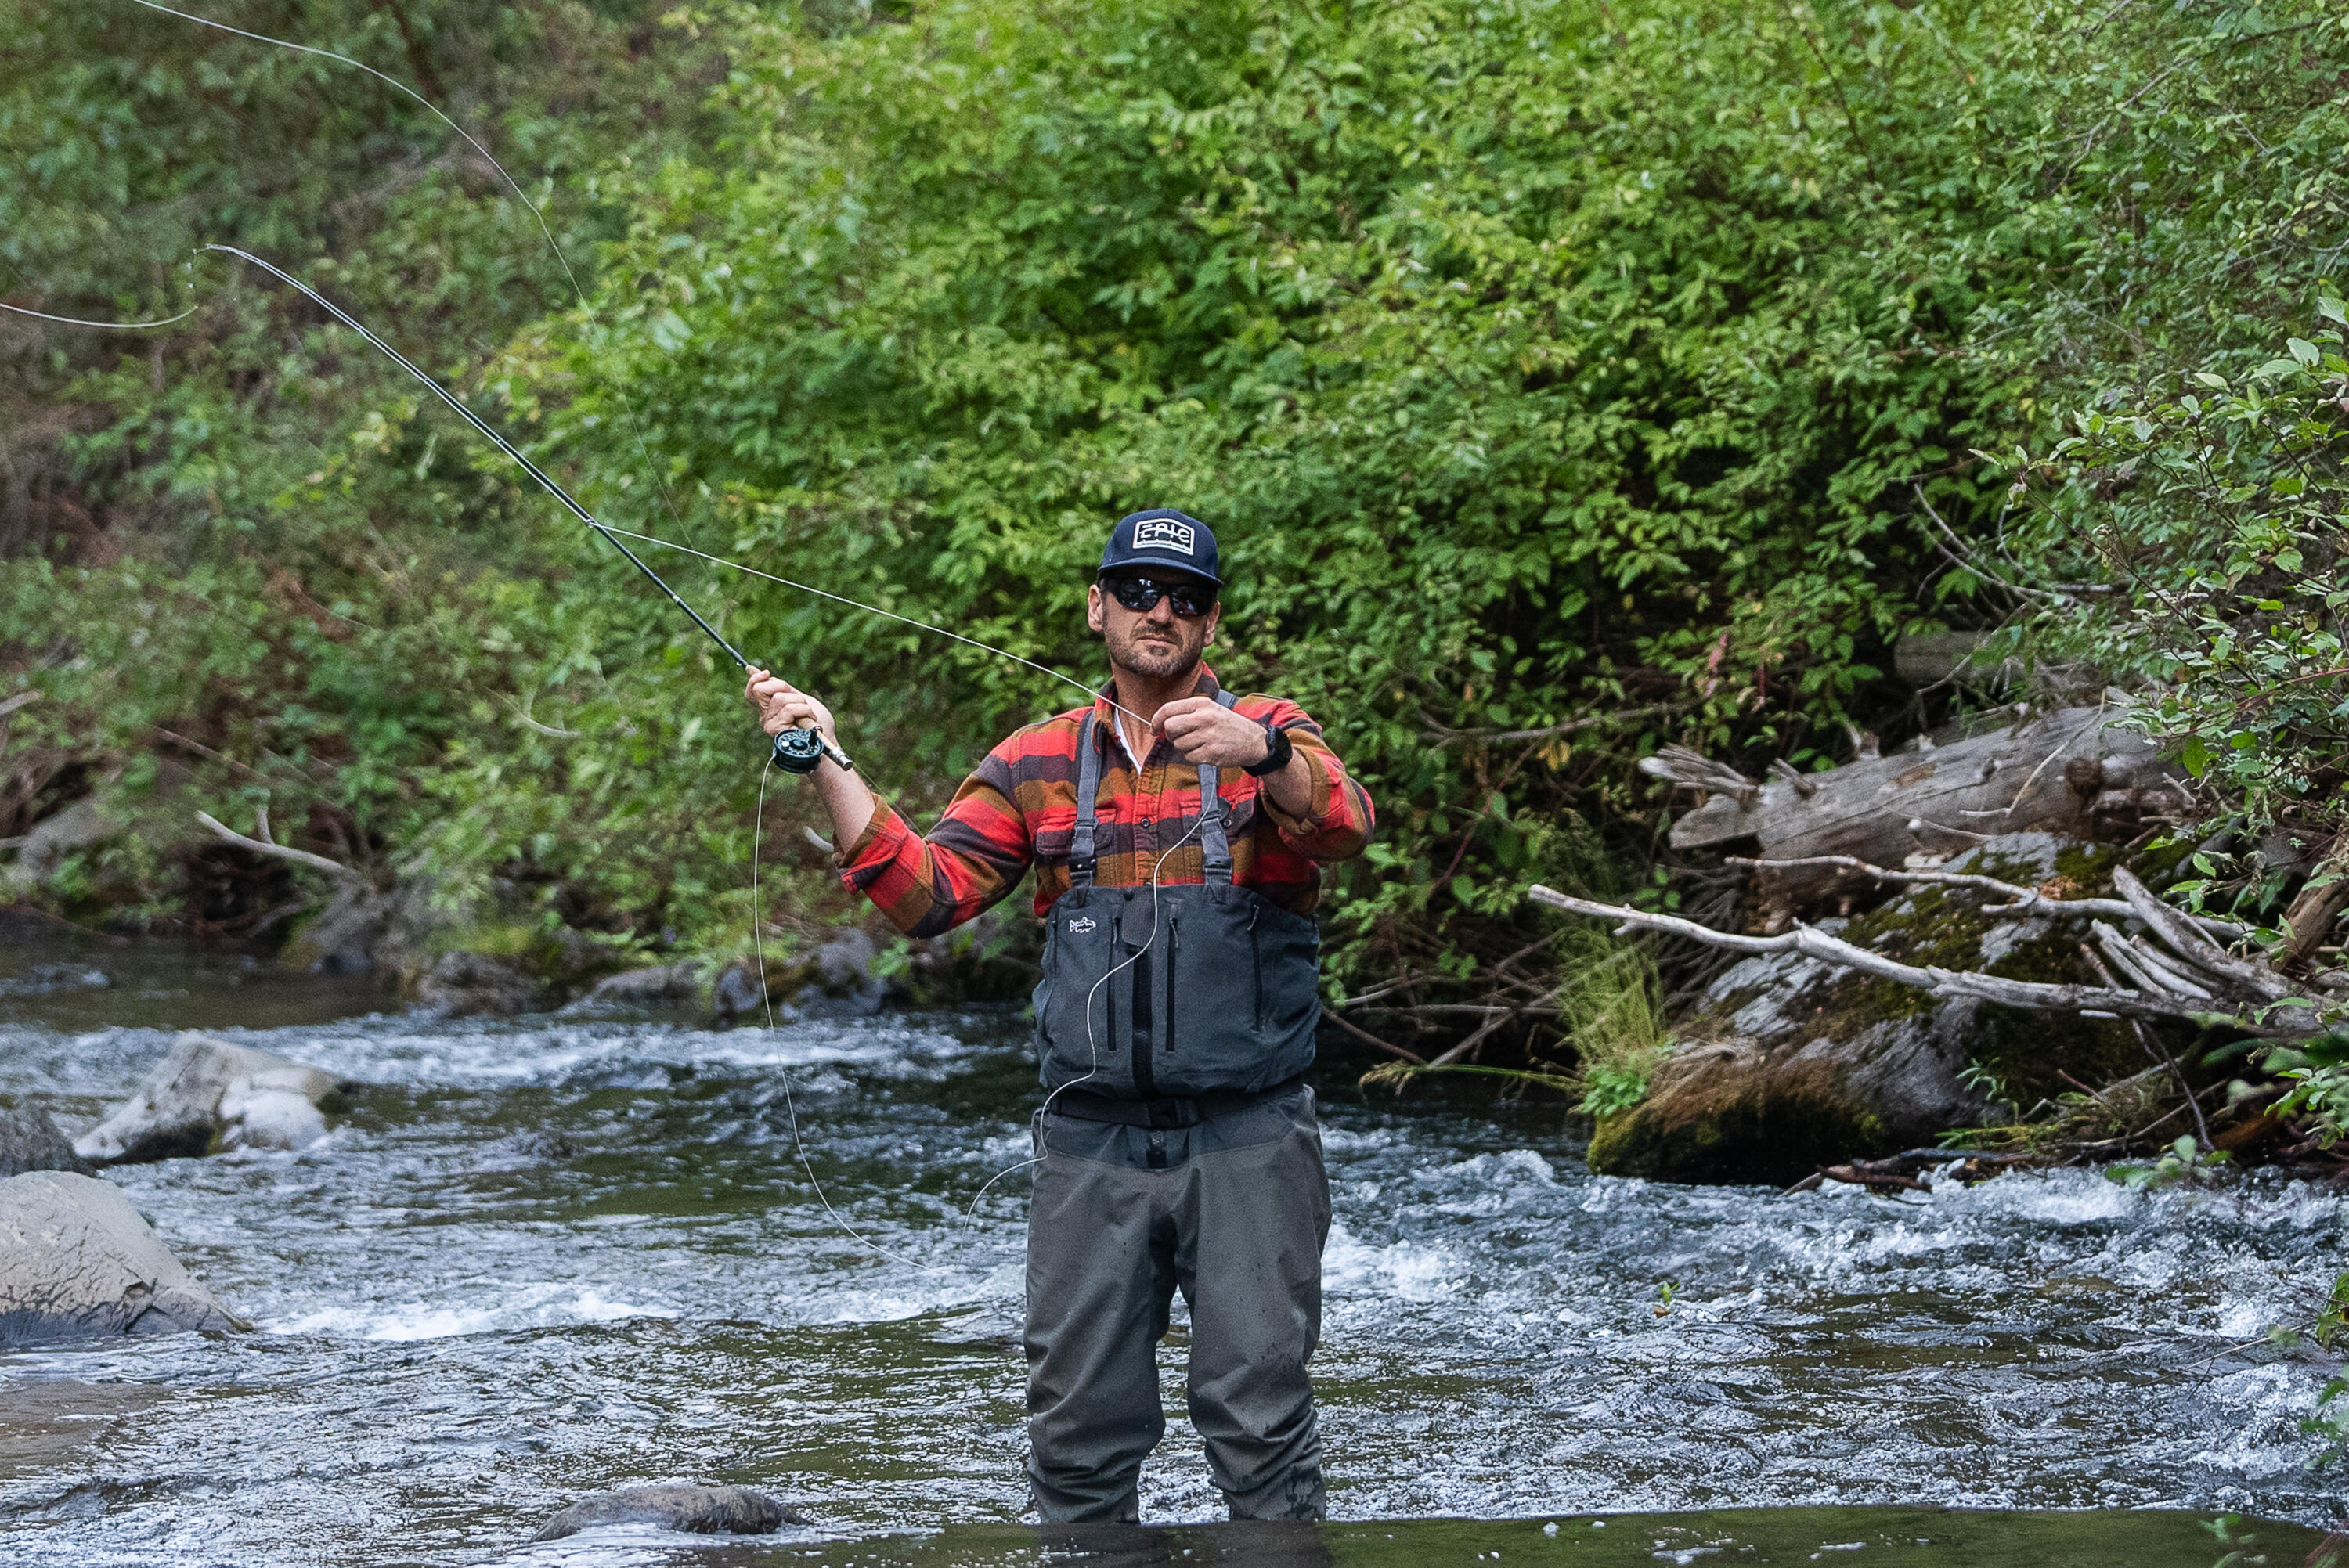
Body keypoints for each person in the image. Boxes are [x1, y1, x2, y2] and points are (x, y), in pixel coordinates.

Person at [744, 508, 1373, 1524]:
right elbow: (925, 895)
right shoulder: (1035, 762)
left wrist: (1260, 752)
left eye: (1185, 597)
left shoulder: (1269, 732)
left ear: (1210, 623)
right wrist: (824, 757)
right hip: (1091, 1149)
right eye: (1136, 589)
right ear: (1097, 608)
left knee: (1260, 1427)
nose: (1159, 610)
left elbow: (1344, 824)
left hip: (1251, 1139)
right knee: (1076, 1438)